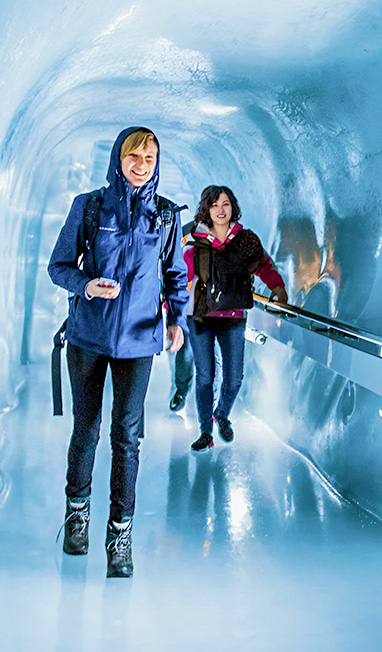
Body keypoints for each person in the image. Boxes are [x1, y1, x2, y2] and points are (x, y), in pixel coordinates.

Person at [46, 127, 188, 578]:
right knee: (86, 428)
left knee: (128, 436)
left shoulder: (165, 217)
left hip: (138, 343)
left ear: (157, 162)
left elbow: (176, 277)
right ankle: (77, 516)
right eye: (134, 155)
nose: (141, 163)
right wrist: (86, 284)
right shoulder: (89, 207)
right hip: (88, 337)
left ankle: (120, 533)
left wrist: (177, 321)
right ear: (118, 158)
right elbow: (59, 266)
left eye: (149, 156)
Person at [183, 185, 288, 451]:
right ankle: (206, 431)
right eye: (215, 204)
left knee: (234, 378)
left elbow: (264, 265)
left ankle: (222, 414)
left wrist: (277, 286)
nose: (220, 210)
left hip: (233, 316)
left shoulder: (246, 240)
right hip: (200, 315)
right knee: (205, 376)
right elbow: (179, 272)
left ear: (233, 207)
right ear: (206, 209)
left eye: (225, 204)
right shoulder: (194, 239)